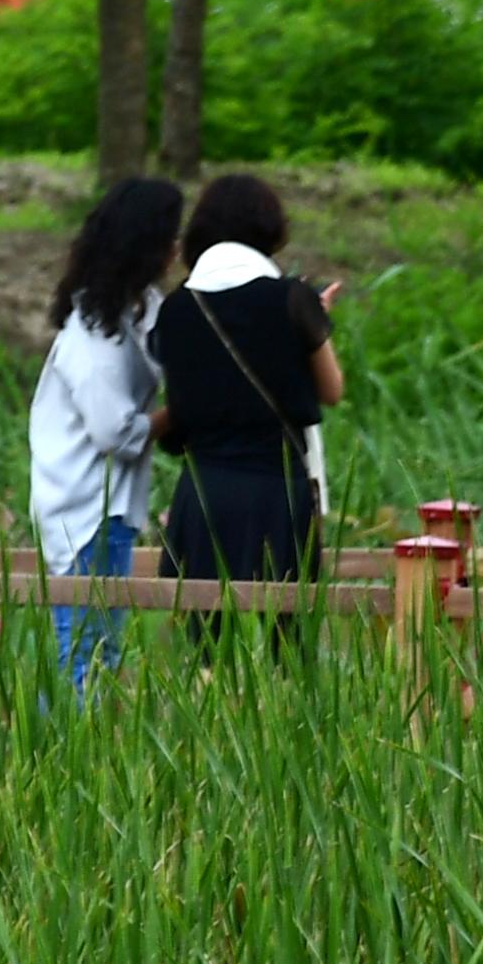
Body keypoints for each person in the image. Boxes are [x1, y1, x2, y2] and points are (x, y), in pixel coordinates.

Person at [149, 173, 345, 652]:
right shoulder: (292, 299)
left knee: (206, 646)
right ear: (269, 229)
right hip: (277, 488)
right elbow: (332, 390)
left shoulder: (176, 309)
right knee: (288, 646)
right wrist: (310, 322)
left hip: (204, 489)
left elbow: (186, 399)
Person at [29, 176, 184, 690]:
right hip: (86, 515)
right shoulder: (91, 341)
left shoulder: (133, 312)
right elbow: (115, 433)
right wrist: (181, 412)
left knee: (99, 650)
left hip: (110, 510)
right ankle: (68, 761)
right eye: (170, 237)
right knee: (87, 657)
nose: (177, 249)